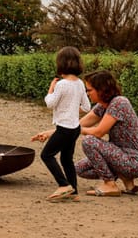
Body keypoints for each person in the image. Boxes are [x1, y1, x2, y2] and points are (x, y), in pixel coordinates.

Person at [31, 47, 91, 202]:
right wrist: (71, 109)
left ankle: (64, 185)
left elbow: (50, 103)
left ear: (61, 64)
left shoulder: (61, 84)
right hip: (75, 128)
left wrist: (50, 89)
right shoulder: (79, 84)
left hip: (63, 128)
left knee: (47, 155)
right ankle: (74, 191)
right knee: (66, 159)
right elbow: (87, 107)